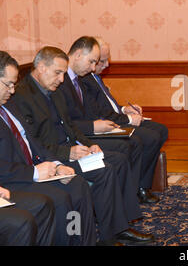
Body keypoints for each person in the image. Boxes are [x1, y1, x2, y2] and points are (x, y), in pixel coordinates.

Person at [12, 47, 156, 245]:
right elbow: (33, 143)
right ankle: (110, 235)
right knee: (104, 171)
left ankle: (121, 226)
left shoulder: (53, 90)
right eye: (57, 73)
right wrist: (68, 153)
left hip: (72, 151)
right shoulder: (21, 97)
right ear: (41, 67)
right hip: (55, 157)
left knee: (118, 160)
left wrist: (89, 144)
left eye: (64, 73)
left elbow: (70, 127)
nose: (62, 79)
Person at [0, 50, 97, 245]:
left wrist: (55, 164)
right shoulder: (19, 99)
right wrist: (35, 172)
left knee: (77, 185)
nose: (12, 90)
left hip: (32, 169)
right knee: (59, 199)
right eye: (8, 84)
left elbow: (32, 141)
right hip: (14, 178)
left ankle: (83, 241)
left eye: (14, 84)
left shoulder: (9, 106)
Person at [61, 36, 162, 204]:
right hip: (79, 137)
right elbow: (67, 122)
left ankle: (132, 195)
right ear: (78, 55)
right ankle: (130, 196)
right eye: (95, 61)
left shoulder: (78, 78)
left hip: (90, 129)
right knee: (131, 144)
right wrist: (94, 128)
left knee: (153, 133)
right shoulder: (66, 81)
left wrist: (122, 111)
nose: (96, 67)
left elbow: (94, 109)